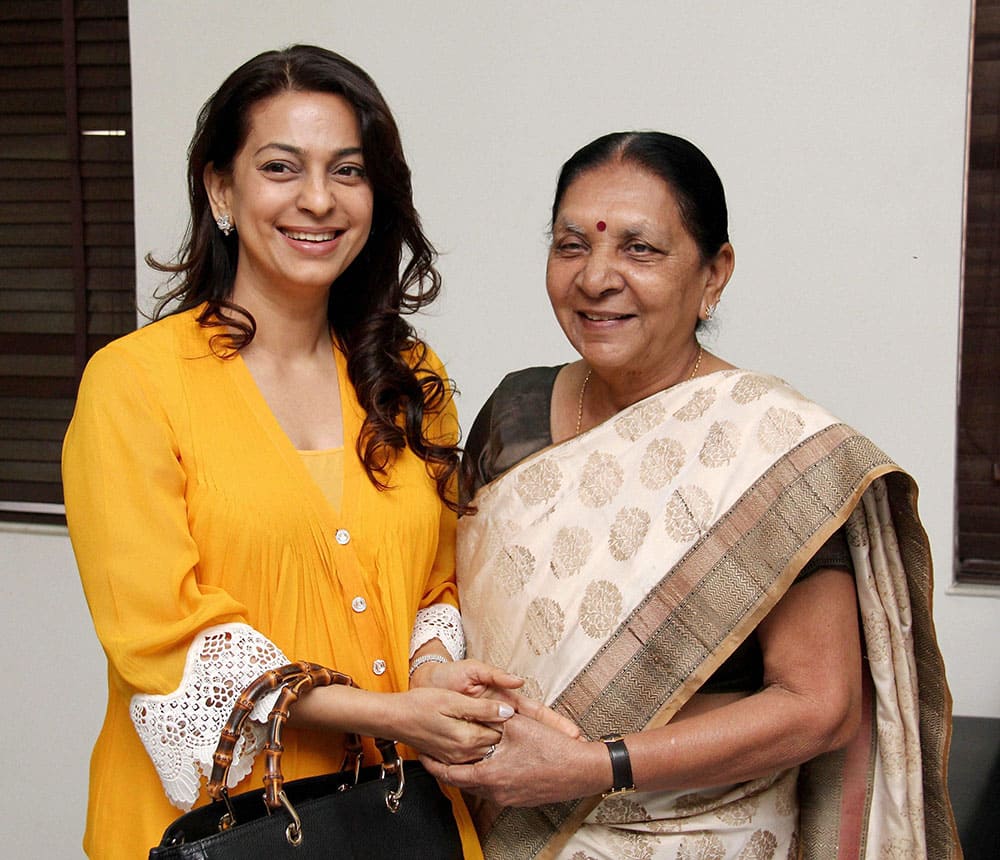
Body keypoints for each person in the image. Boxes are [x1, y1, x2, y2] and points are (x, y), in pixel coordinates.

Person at [62, 45, 549, 859]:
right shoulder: (133, 385)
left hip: (397, 821)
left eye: (347, 171)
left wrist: (430, 672)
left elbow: (440, 579)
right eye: (281, 167)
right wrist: (388, 714)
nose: (317, 200)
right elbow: (162, 636)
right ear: (222, 188)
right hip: (213, 832)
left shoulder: (410, 378)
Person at [423, 132, 961, 859]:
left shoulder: (768, 448)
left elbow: (820, 707)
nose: (596, 277)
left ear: (715, 273)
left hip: (701, 836)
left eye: (640, 249)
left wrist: (590, 767)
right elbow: (446, 600)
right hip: (493, 827)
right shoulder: (513, 411)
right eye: (571, 244)